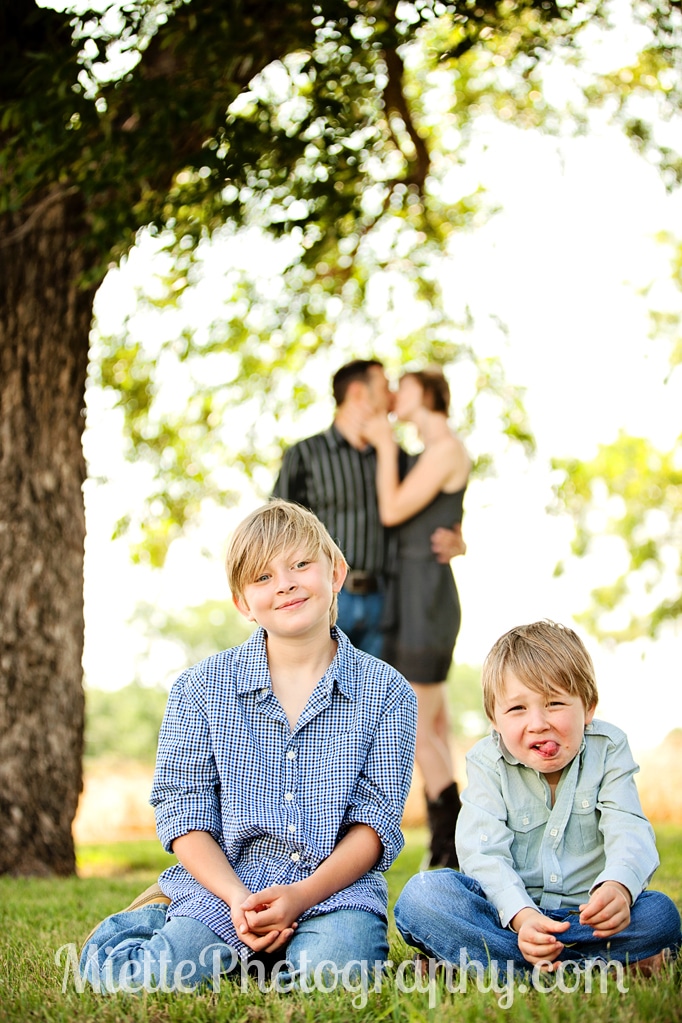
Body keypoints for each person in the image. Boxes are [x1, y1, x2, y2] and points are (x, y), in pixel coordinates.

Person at [80, 500, 417, 993]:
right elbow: (182, 810)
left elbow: (376, 823)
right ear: (242, 602)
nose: (285, 583)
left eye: (301, 564)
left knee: (333, 978)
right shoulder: (200, 688)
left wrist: (299, 897)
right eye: (262, 577)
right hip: (226, 885)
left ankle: (272, 954)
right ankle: (164, 913)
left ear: (336, 571)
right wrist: (238, 898)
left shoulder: (387, 692)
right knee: (145, 979)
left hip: (333, 889)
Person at [394, 620, 682, 978]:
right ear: (494, 719)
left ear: (588, 708)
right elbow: (483, 856)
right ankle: (589, 967)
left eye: (555, 703)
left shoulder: (609, 750)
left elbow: (628, 827)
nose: (538, 723)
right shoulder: (488, 762)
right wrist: (523, 916)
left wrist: (619, 888)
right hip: (506, 917)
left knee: (660, 915)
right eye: (517, 709)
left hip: (585, 920)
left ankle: (483, 964)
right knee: (423, 894)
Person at [272, 359, 462, 660]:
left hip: (386, 602)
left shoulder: (394, 457)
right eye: (386, 388)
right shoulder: (305, 455)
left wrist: (458, 539)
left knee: (371, 701)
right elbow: (275, 531)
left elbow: (433, 501)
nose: (392, 397)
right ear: (360, 393)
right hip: (329, 598)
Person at [363, 368, 470, 871]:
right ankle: (453, 847)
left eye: (401, 387)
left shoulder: (445, 449)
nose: (393, 397)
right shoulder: (430, 454)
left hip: (427, 599)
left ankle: (447, 847)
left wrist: (385, 446)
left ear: (425, 394)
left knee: (420, 727)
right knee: (437, 728)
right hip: (414, 593)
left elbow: (393, 510)